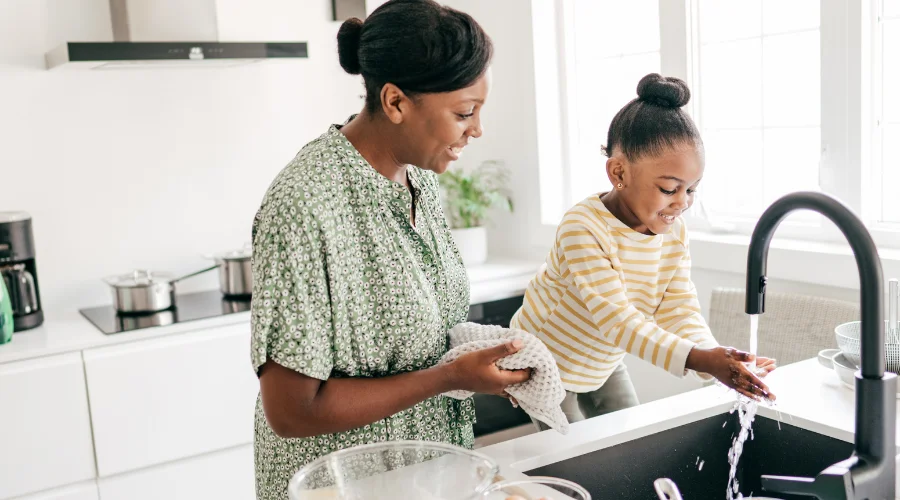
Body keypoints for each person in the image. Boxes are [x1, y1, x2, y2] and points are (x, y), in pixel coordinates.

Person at [249, 1, 531, 498]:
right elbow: (291, 412)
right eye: (464, 112)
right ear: (396, 102)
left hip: (427, 476)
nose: (477, 130)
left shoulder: (419, 178)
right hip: (343, 487)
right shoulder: (306, 204)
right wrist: (446, 377)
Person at [511, 73, 776, 431]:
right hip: (546, 362)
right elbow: (619, 321)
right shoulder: (583, 227)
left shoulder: (674, 233)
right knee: (572, 460)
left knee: (628, 437)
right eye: (669, 189)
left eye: (692, 190)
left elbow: (678, 307)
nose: (682, 203)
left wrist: (718, 359)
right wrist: (704, 359)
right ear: (618, 172)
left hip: (603, 358)